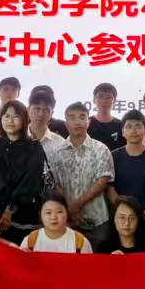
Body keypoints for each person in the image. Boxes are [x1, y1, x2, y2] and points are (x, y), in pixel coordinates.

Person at [0, 99, 47, 239]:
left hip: (23, 216)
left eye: (16, 116)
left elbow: (30, 183)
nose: (10, 121)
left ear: (24, 120)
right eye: (6, 116)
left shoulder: (33, 147)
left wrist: (9, 210)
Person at [47, 104, 112, 244]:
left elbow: (102, 182)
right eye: (72, 118)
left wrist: (75, 206)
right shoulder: (57, 153)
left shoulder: (101, 149)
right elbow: (56, 184)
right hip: (67, 219)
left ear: (89, 122)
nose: (77, 122)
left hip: (97, 220)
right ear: (66, 123)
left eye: (82, 117)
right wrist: (69, 210)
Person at [108, 111, 145, 240]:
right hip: (121, 220)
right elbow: (110, 188)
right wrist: (123, 213)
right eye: (129, 126)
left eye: (138, 126)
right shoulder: (113, 156)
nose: (133, 130)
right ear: (123, 132)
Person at [21, 195, 93, 252]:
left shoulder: (80, 242)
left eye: (59, 212)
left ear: (67, 213)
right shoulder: (30, 241)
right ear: (40, 215)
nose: (53, 217)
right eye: (48, 213)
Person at [25, 89, 68, 154]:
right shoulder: (16, 138)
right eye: (37, 109)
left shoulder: (60, 144)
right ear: (28, 110)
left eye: (46, 110)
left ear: (52, 113)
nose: (41, 114)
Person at [89, 83, 125, 150]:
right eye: (100, 97)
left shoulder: (121, 125)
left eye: (108, 97)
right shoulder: (87, 123)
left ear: (114, 101)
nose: (104, 101)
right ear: (94, 100)